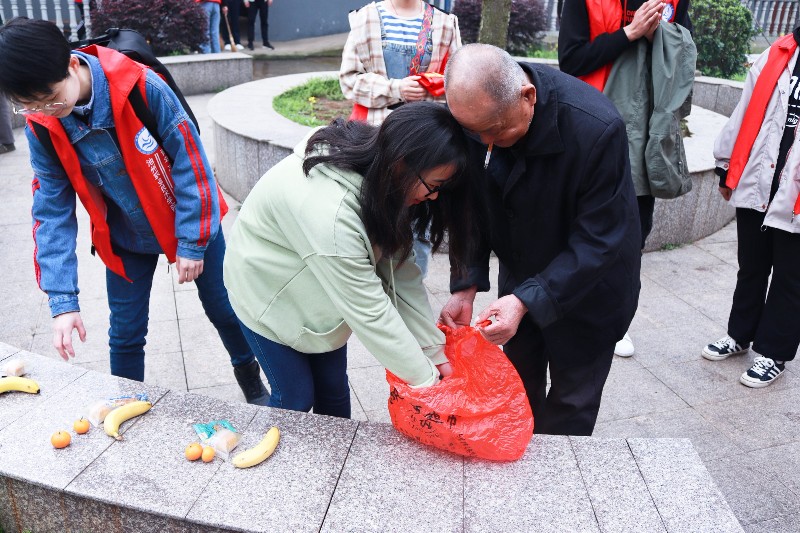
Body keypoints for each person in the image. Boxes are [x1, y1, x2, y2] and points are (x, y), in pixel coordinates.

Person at [0, 18, 269, 405]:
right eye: (29, 106)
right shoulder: (43, 124)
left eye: (51, 97)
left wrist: (192, 242)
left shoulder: (141, 85)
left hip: (185, 219)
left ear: (72, 65)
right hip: (124, 235)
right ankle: (126, 403)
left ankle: (250, 379)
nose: (45, 110)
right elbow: (51, 211)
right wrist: (63, 302)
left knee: (225, 311)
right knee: (125, 333)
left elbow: (191, 162)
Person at [223, 102, 474, 418]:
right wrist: (428, 384)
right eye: (433, 186)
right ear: (402, 162)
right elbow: (371, 312)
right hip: (264, 291)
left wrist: (434, 353)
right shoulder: (332, 215)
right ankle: (274, 461)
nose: (434, 197)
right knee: (295, 400)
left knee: (334, 394)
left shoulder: (380, 178)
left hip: (318, 288)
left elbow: (402, 274)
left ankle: (333, 466)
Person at [441, 44, 642, 436]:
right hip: (523, 279)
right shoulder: (479, 117)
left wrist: (524, 299)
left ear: (527, 97)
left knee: (571, 404)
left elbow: (599, 240)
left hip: (590, 290)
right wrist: (465, 286)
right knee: (518, 389)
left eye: (496, 132)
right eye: (475, 134)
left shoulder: (597, 127)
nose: (487, 143)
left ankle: (555, 486)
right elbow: (470, 205)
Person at [558, 0, 694, 358]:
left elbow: (683, 51)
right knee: (580, 223)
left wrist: (660, 33)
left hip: (645, 131)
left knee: (633, 233)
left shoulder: (674, 2)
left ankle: (617, 321)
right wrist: (629, 34)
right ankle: (570, 309)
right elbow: (571, 60)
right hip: (589, 123)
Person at [701, 23, 800, 388]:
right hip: (759, 177)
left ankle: (773, 352)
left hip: (796, 195)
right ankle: (740, 335)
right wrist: (726, 164)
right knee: (752, 267)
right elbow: (745, 110)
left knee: (791, 279)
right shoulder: (777, 53)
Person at [340, 0, 461, 275]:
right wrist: (395, 88)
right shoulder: (365, 19)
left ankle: (410, 299)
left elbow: (457, 83)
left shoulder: (444, 23)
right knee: (368, 221)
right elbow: (348, 80)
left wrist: (429, 88)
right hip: (377, 142)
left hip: (425, 148)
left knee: (418, 228)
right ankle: (366, 293)